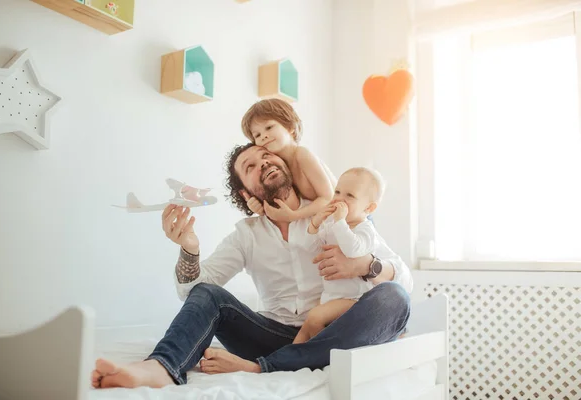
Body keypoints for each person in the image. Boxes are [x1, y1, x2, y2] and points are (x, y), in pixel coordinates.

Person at [91, 143, 413, 389]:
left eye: (267, 157)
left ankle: (263, 367)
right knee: (209, 294)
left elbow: (403, 278)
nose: (264, 163)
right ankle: (160, 367)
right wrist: (190, 249)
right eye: (251, 166)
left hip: (331, 333)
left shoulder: (329, 215)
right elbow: (192, 292)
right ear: (246, 192)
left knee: (394, 298)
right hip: (270, 334)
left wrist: (363, 265)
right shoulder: (246, 235)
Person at [293, 167, 385, 344]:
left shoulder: (365, 230)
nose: (340, 198)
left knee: (315, 317)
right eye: (337, 191)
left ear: (369, 207)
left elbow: (352, 249)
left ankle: (322, 355)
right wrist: (316, 222)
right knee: (305, 330)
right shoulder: (333, 226)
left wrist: (340, 221)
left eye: (350, 195)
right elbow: (310, 247)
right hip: (331, 297)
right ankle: (286, 363)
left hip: (355, 299)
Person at [240, 98, 336, 222]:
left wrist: (293, 215)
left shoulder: (302, 154)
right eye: (257, 135)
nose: (263, 136)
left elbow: (328, 198)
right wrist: (258, 206)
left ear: (290, 127)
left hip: (353, 219)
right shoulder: (279, 166)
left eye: (269, 127)